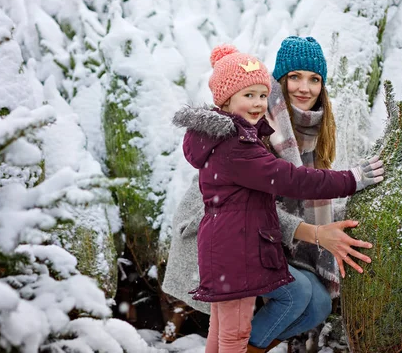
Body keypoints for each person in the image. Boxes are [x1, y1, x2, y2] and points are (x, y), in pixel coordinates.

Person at [163, 38, 384, 352]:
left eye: (314, 78)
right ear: (278, 81)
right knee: (274, 308)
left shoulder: (295, 128)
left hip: (246, 240)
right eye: (294, 77)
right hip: (225, 243)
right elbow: (289, 183)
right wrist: (323, 224)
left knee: (314, 303)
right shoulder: (250, 128)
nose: (304, 87)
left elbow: (284, 193)